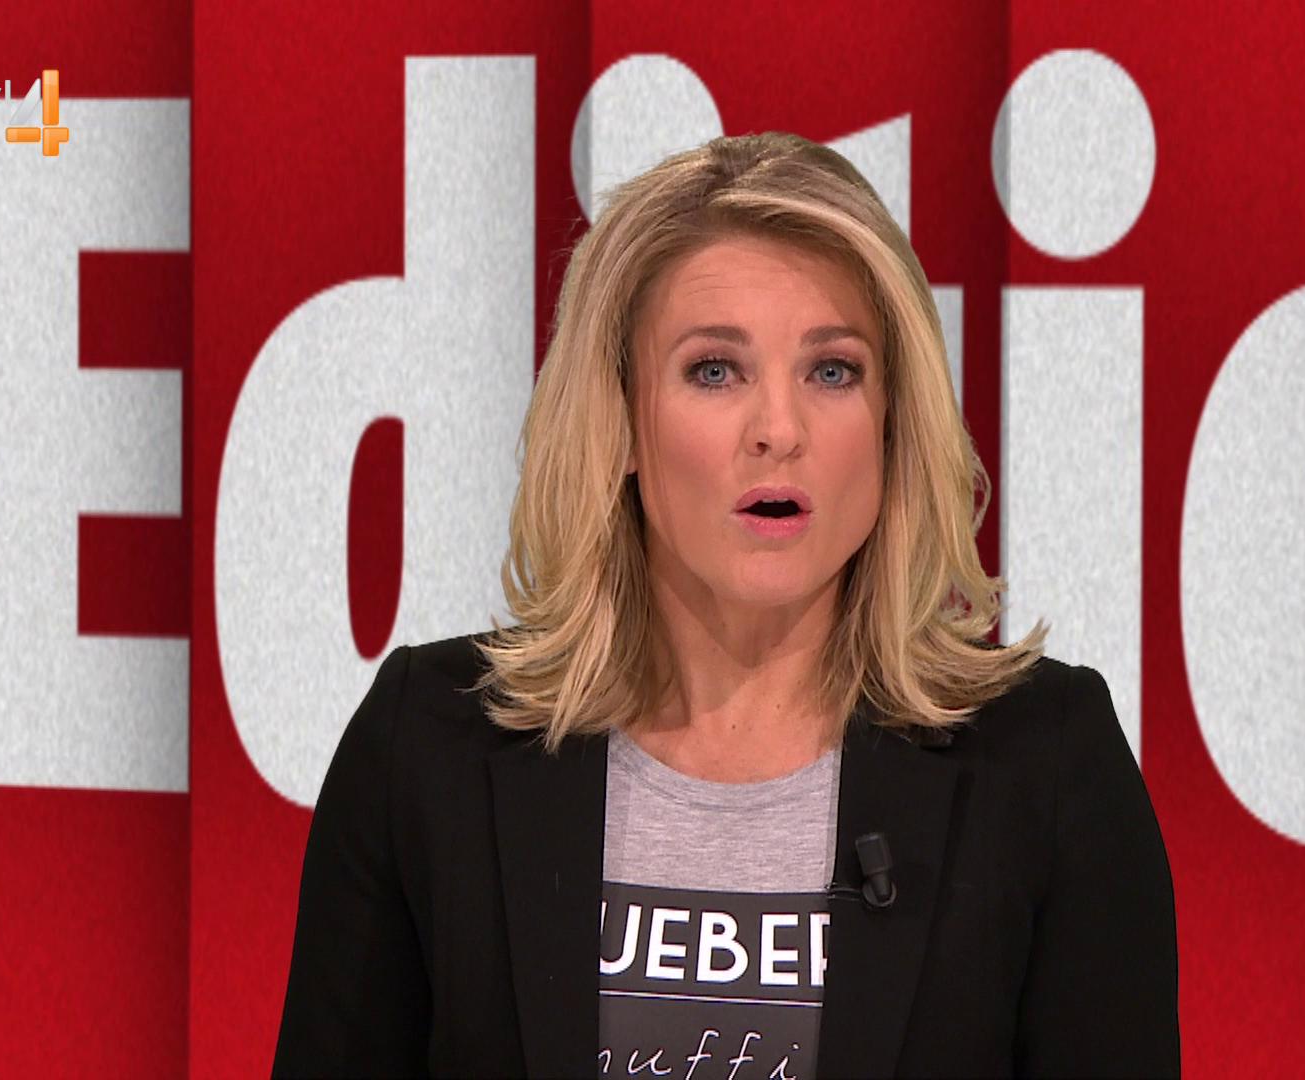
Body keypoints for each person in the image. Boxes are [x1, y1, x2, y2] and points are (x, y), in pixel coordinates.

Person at [272, 131, 1178, 1079]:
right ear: (620, 421)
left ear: (891, 424)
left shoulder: (1045, 765)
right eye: (714, 370)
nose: (778, 430)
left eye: (833, 371)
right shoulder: (428, 747)